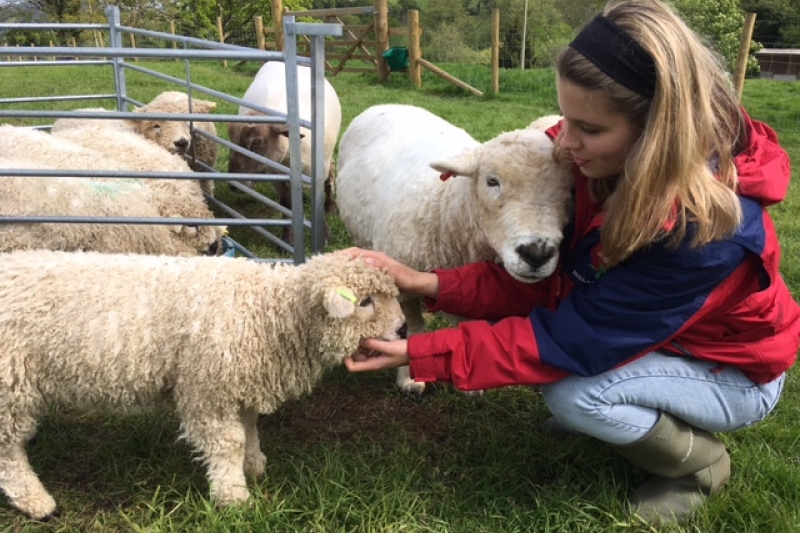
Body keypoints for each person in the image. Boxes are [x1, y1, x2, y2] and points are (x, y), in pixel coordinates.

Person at [342, 0, 800, 524]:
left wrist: (422, 354)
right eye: (564, 120)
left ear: (657, 128)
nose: (564, 143)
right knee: (563, 368)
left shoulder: (705, 232)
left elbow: (570, 339)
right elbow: (554, 288)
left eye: (588, 128)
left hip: (734, 371)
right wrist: (423, 281)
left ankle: (699, 469)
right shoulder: (598, 166)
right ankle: (633, 410)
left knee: (573, 392)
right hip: (651, 332)